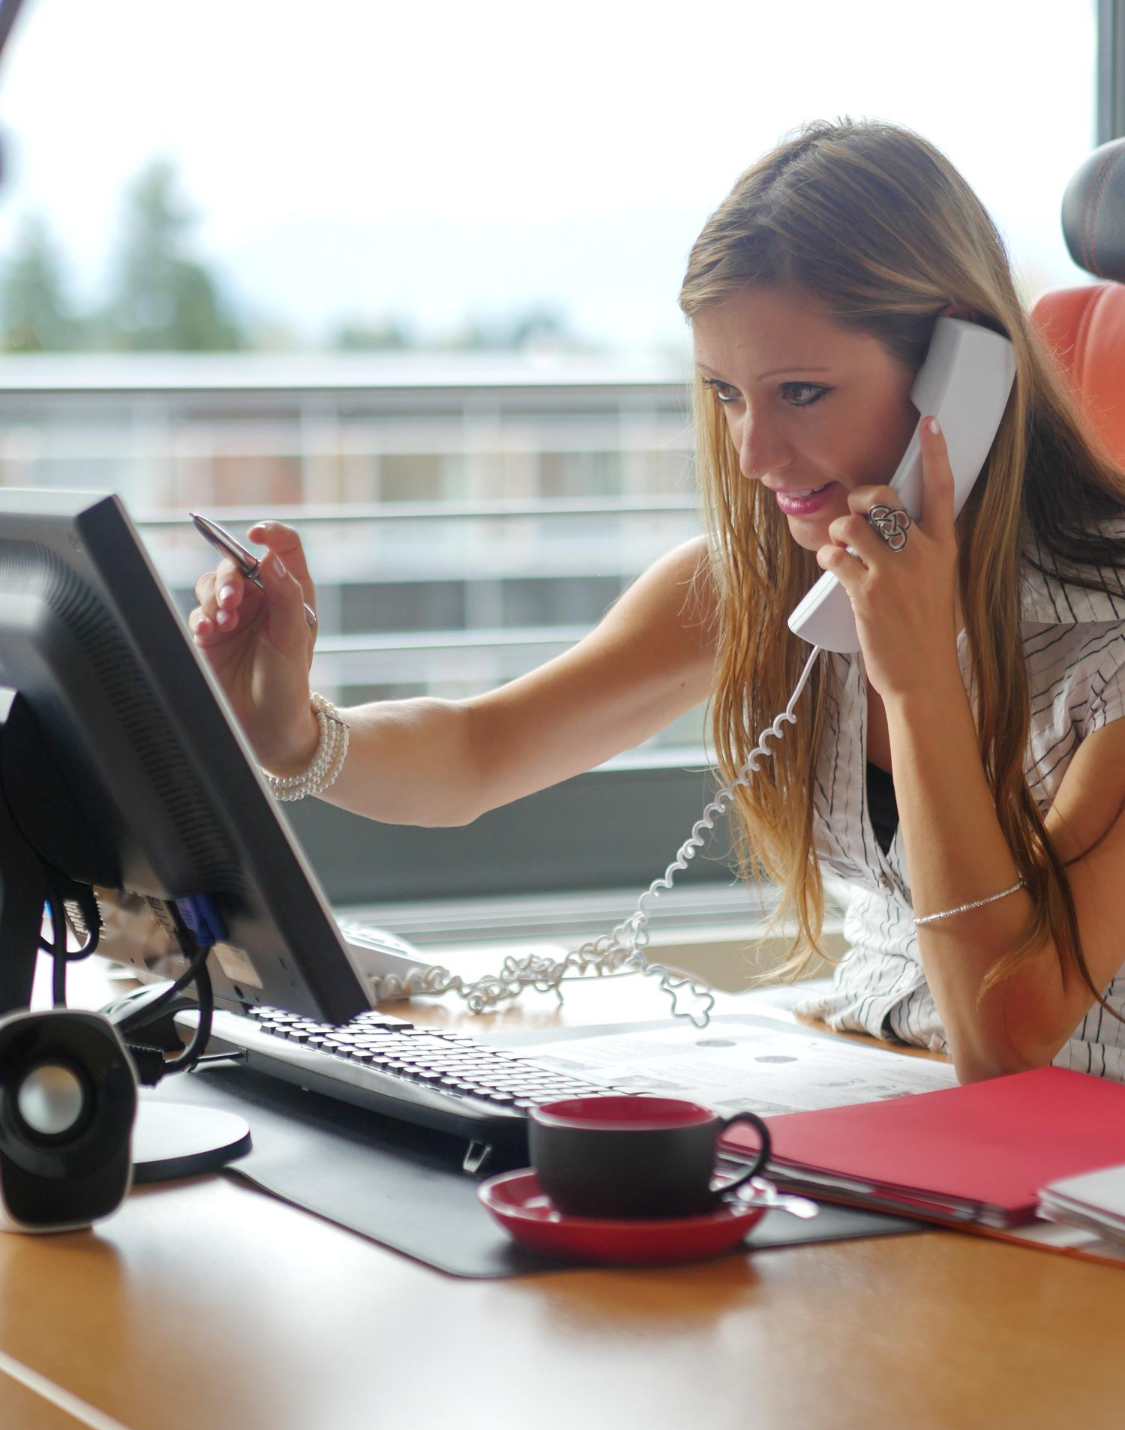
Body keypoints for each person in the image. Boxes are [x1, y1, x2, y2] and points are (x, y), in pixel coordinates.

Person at [191, 118, 1125, 1085]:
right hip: (874, 1087)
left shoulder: (1113, 650)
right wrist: (298, 736)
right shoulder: (761, 585)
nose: (754, 455)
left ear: (957, 376)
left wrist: (922, 680)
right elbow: (478, 751)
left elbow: (1008, 1038)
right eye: (726, 394)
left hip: (1073, 1170)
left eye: (801, 392)